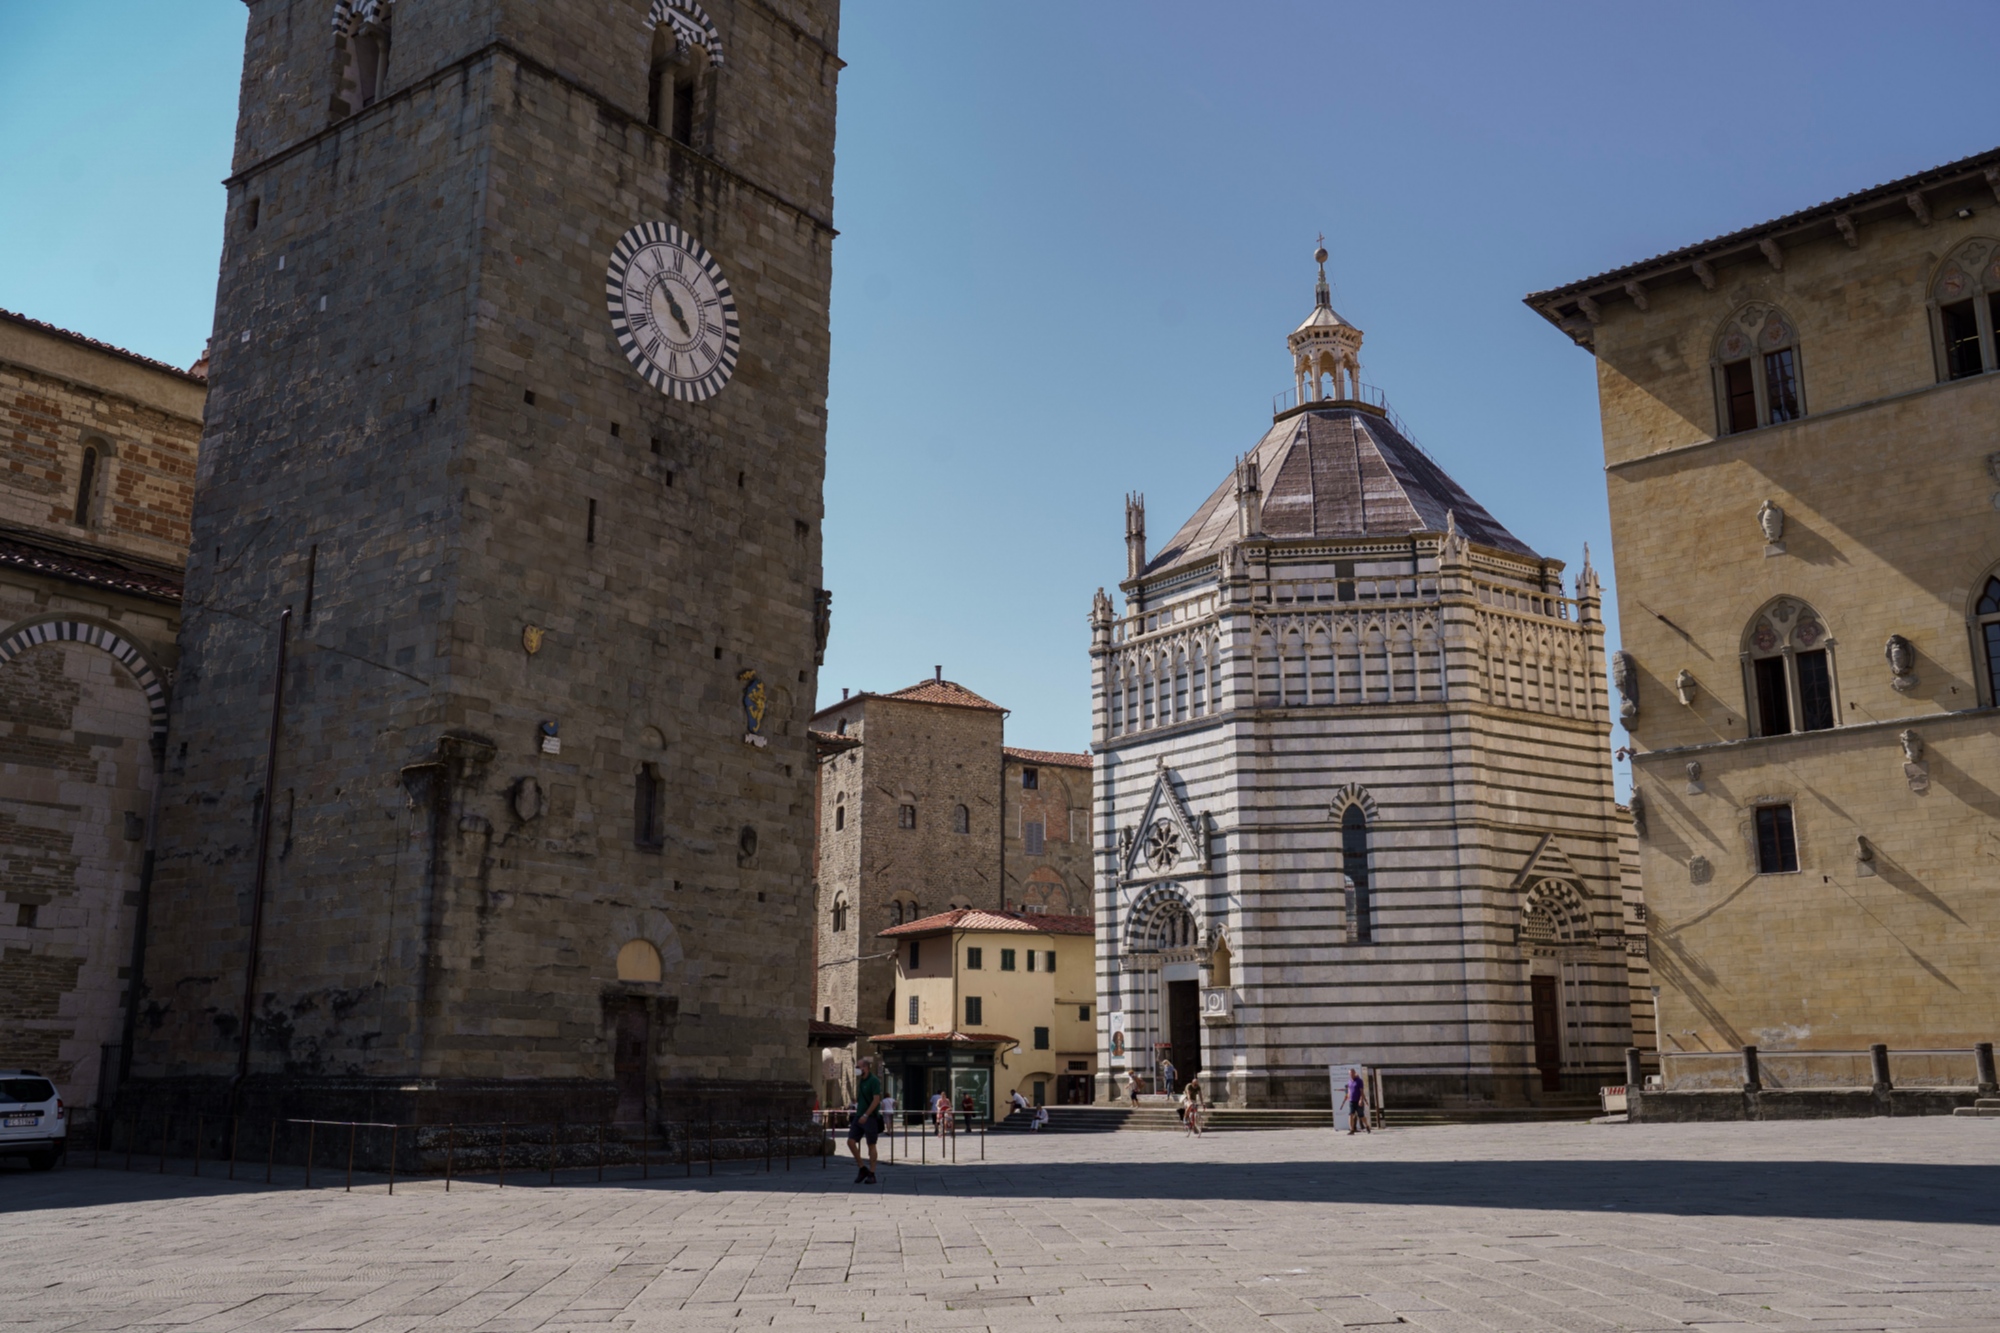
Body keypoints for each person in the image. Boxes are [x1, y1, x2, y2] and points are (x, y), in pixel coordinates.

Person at [847, 1056, 884, 1183]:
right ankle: (862, 1167)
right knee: (851, 1141)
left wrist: (866, 1115)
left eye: (858, 1067)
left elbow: (876, 1100)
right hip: (859, 1115)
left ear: (866, 1068)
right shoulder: (861, 1081)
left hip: (870, 1117)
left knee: (871, 1144)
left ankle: (872, 1173)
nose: (856, 1069)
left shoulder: (873, 1081)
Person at [1342, 1067, 1370, 1135]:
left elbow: (1361, 1092)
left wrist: (1361, 1100)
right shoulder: (1349, 1081)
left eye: (1352, 1073)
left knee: (1361, 1116)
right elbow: (1349, 1089)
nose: (1351, 1074)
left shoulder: (1359, 1081)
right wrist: (1348, 1095)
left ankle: (1367, 1126)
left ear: (1354, 1073)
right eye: (1350, 1073)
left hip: (1358, 1100)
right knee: (1351, 1114)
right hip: (1351, 1100)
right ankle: (1352, 1129)